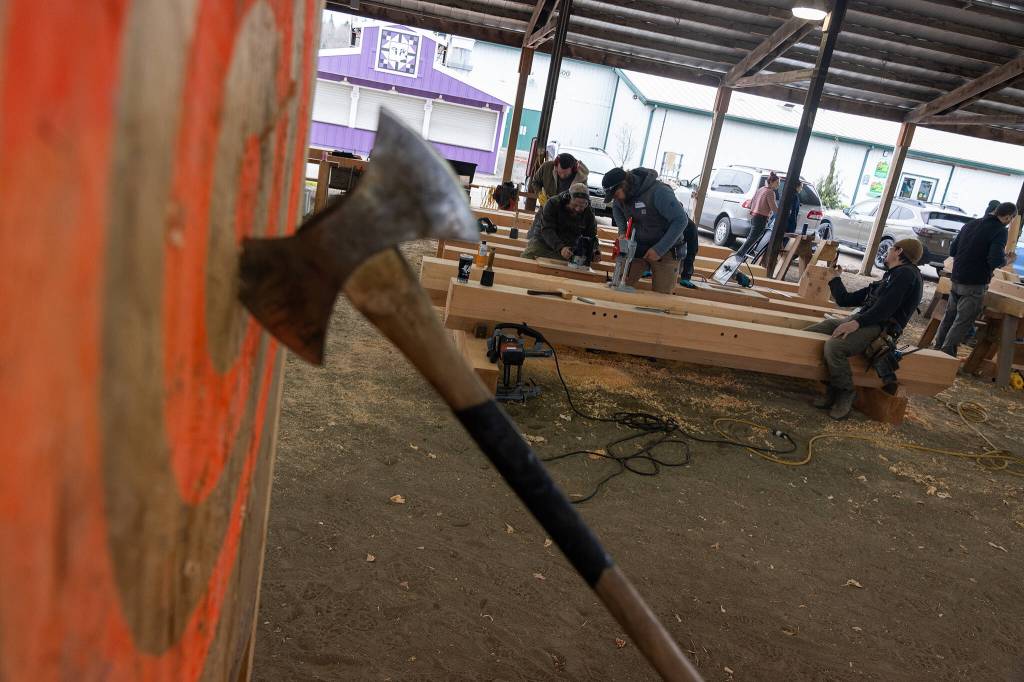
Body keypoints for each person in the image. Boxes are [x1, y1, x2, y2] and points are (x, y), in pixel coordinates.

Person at [804, 238, 925, 420]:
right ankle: (832, 388)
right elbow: (846, 300)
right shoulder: (891, 276)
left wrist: (855, 323)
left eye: (891, 248)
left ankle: (845, 392)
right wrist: (835, 279)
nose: (887, 251)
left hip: (881, 328)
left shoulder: (907, 275)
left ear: (899, 251)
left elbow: (885, 309)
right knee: (821, 328)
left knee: (835, 347)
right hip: (867, 320)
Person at [933, 201, 1019, 357]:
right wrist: (1008, 260)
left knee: (949, 316)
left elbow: (953, 250)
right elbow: (994, 261)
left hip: (957, 277)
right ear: (1007, 217)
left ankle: (936, 349)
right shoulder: (999, 230)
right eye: (1012, 218)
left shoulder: (971, 224)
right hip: (975, 282)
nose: (1011, 221)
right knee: (963, 321)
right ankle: (946, 354)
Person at [602, 166, 690, 294]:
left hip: (667, 249)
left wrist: (659, 249)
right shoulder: (621, 197)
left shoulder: (659, 192)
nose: (617, 199)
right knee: (619, 286)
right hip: (637, 247)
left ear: (625, 184)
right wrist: (622, 231)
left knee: (661, 296)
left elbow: (681, 220)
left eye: (616, 194)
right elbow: (616, 208)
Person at [522, 183, 600, 263]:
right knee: (526, 260)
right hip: (543, 242)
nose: (577, 209)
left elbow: (591, 236)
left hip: (568, 249)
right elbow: (547, 230)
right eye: (575, 205)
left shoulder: (588, 212)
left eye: (582, 206)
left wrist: (595, 251)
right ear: (568, 198)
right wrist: (561, 247)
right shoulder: (553, 203)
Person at [740, 172, 780, 259]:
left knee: (751, 238)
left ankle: (742, 255)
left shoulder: (761, 189)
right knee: (752, 239)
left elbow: (753, 201)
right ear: (771, 182)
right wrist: (781, 212)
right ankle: (739, 255)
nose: (778, 185)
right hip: (761, 218)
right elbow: (773, 208)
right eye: (777, 183)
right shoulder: (770, 192)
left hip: (754, 216)